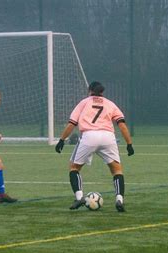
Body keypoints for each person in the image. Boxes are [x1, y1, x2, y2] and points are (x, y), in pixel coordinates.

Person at [55, 81, 134, 212]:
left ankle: (79, 197)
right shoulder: (110, 104)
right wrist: (129, 144)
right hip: (108, 137)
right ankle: (119, 200)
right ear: (102, 92)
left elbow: (71, 124)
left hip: (89, 136)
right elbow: (122, 125)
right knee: (117, 171)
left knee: (74, 168)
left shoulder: (84, 102)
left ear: (90, 90)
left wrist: (62, 140)